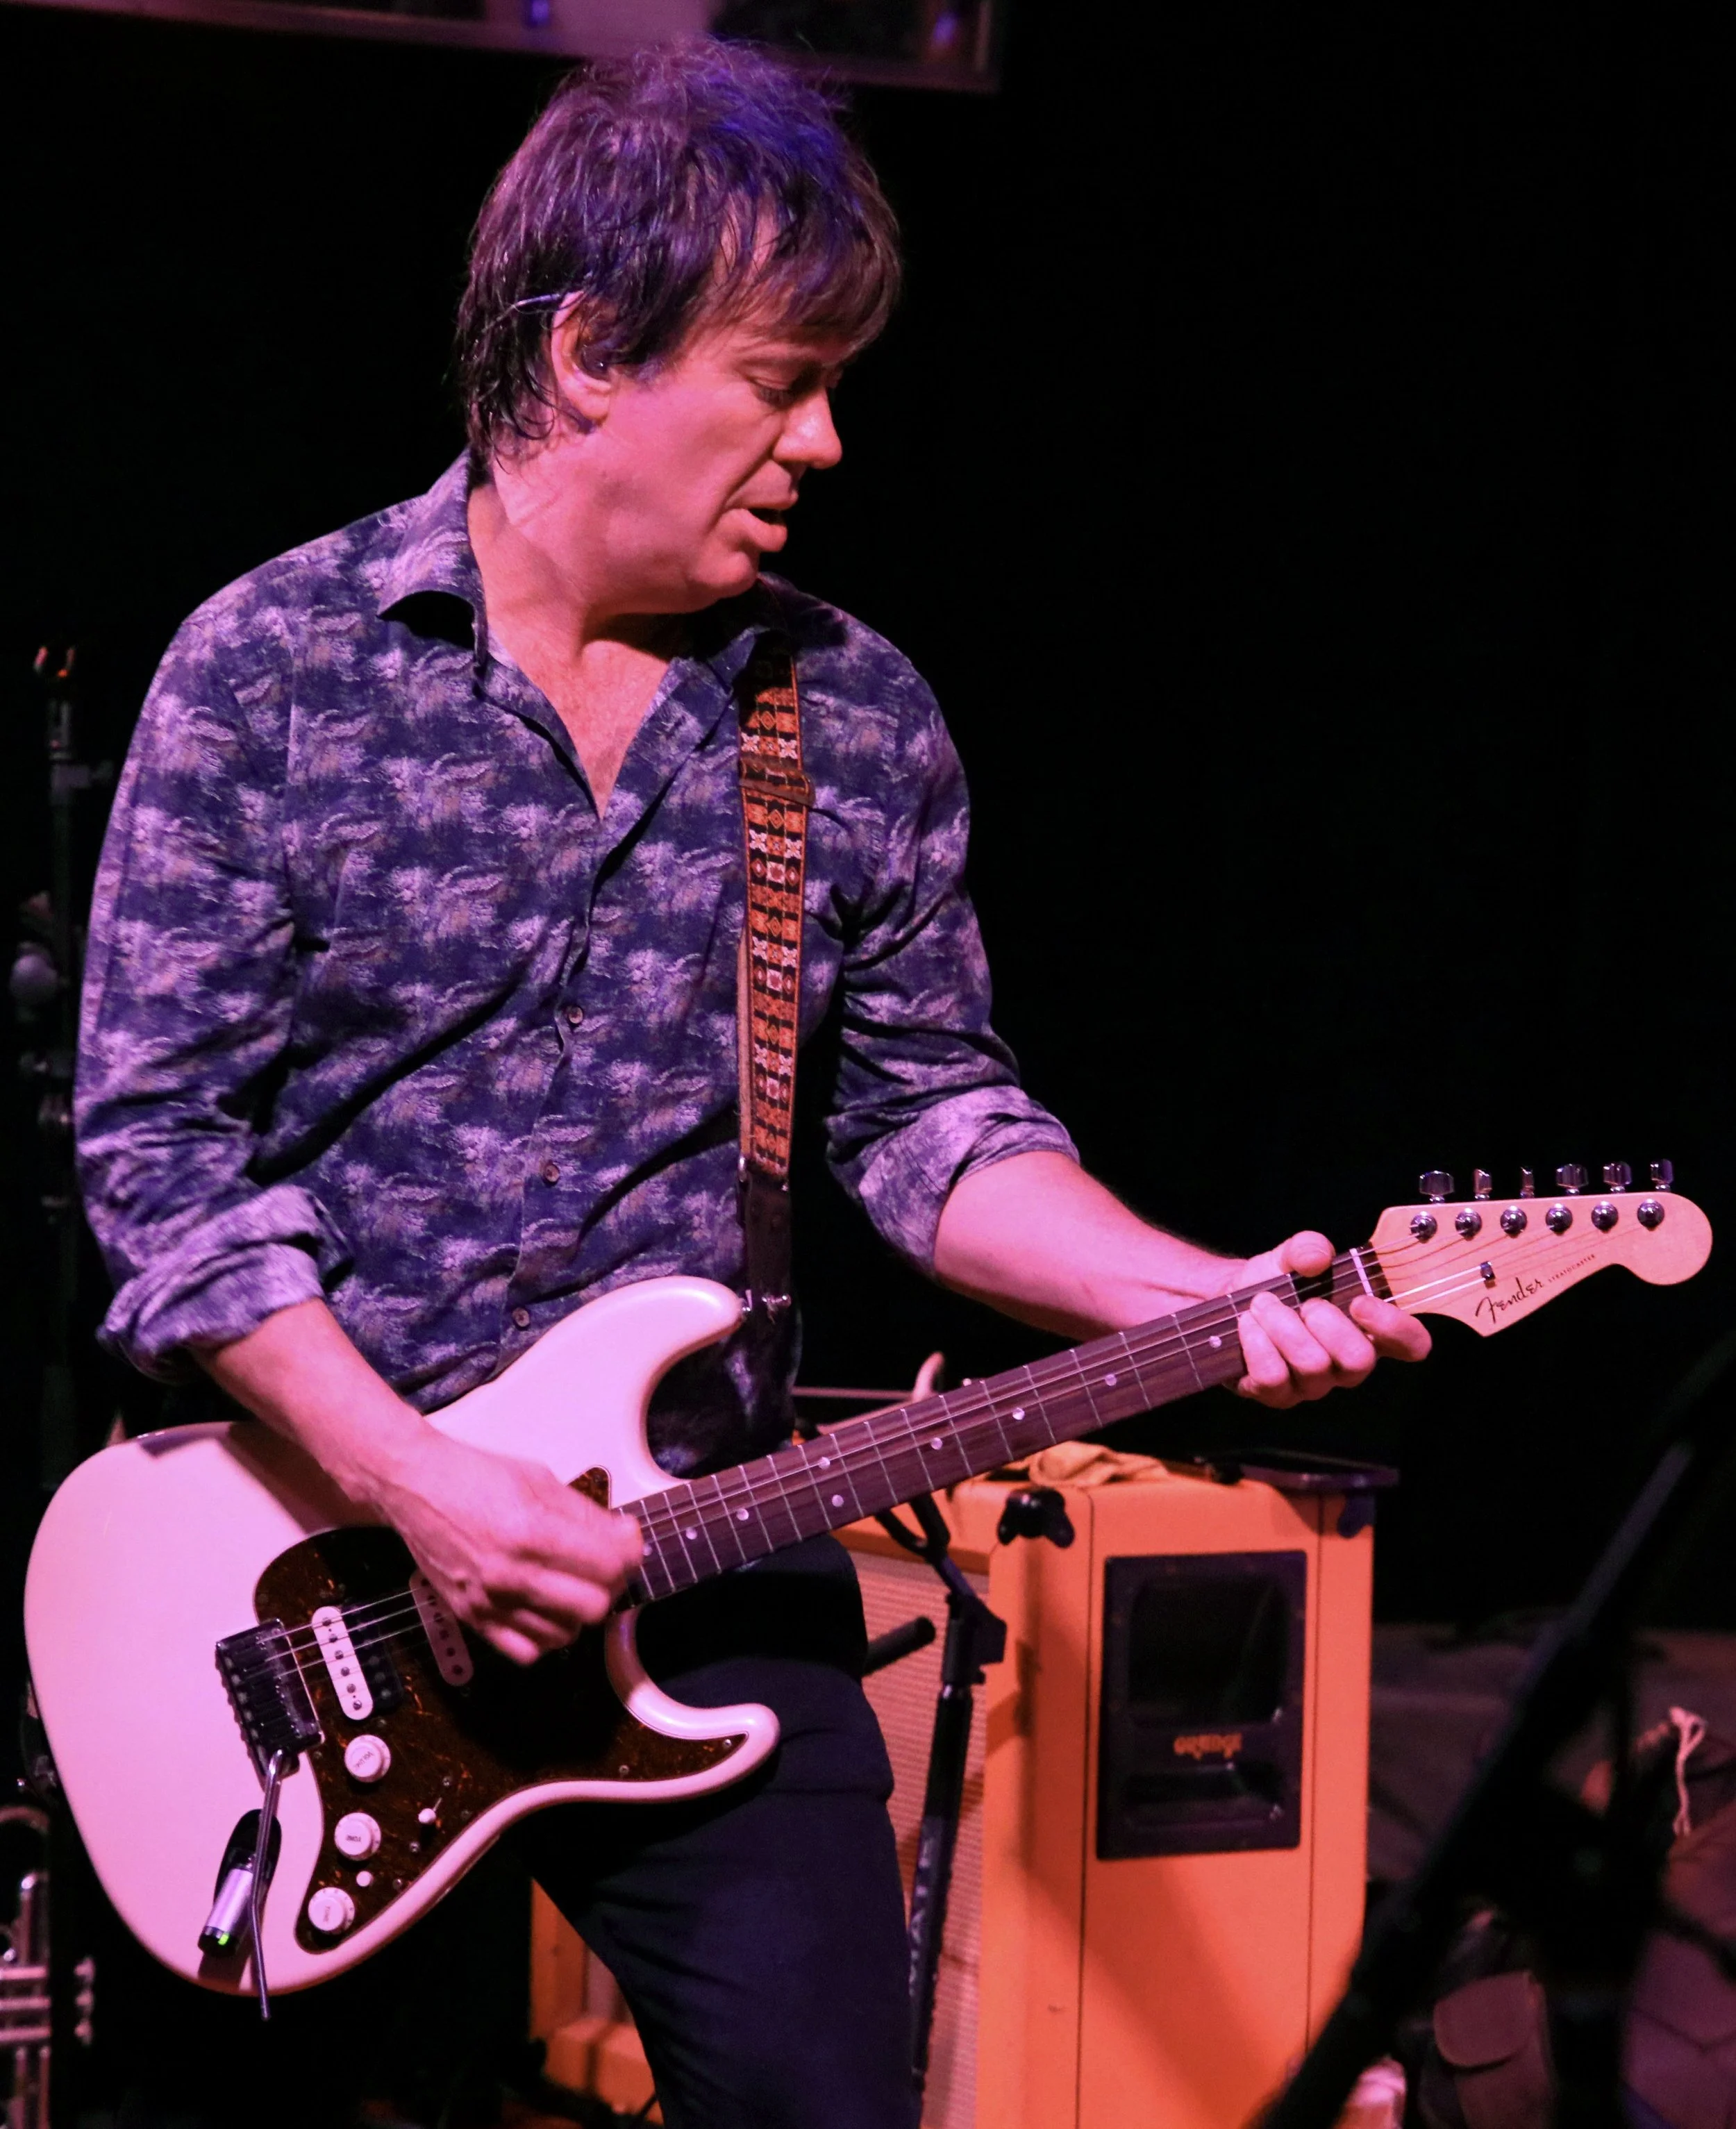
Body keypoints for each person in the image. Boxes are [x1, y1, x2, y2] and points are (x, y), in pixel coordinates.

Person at [75, 41, 1430, 2129]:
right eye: (779, 376)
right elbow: (162, 1166)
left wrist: (1194, 1291)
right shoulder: (267, 671)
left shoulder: (844, 714)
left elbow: (927, 1122)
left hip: (704, 1567)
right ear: (593, 351)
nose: (824, 438)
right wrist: (416, 1484)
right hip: (309, 1580)